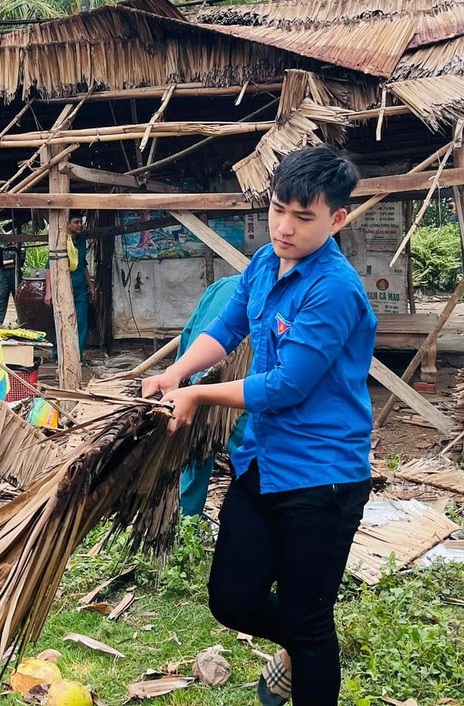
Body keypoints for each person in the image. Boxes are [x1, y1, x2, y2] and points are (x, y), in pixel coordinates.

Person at [143, 147, 376, 706]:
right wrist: (175, 371)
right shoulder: (265, 264)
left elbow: (287, 386)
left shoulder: (335, 289)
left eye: (303, 217)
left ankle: (307, 649)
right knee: (232, 599)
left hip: (323, 477)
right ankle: (300, 644)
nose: (284, 227)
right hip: (262, 463)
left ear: (337, 219)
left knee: (309, 622)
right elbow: (225, 329)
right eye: (277, 210)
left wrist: (197, 393)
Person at [174, 274, 248, 517]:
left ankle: (186, 523)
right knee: (251, 464)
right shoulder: (274, 292)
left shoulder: (223, 287)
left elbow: (188, 335)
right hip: (239, 396)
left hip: (200, 385)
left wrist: (179, 380)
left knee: (196, 454)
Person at [44, 215, 94, 352]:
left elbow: (83, 265)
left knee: (82, 321)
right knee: (63, 320)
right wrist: (48, 291)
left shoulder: (82, 241)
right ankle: (60, 353)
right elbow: (49, 266)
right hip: (63, 287)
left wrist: (91, 286)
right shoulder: (60, 242)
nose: (80, 225)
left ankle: (77, 354)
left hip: (79, 288)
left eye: (81, 222)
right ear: (67, 224)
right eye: (76, 222)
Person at [0, 234, 24, 327]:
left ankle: (21, 320)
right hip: (3, 274)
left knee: (18, 298)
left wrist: (6, 262)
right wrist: (12, 260)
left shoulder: (19, 244)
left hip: (15, 272)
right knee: (1, 298)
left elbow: (21, 260)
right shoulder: (2, 245)